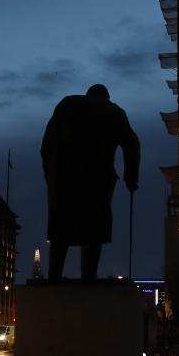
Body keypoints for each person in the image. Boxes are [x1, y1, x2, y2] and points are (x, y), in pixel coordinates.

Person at [41, 84, 140, 280]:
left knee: (61, 227)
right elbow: (132, 145)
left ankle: (54, 276)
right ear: (107, 97)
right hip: (98, 177)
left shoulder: (67, 103)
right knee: (94, 228)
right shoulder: (115, 112)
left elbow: (47, 143)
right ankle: (88, 276)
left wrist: (49, 174)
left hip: (63, 176)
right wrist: (131, 179)